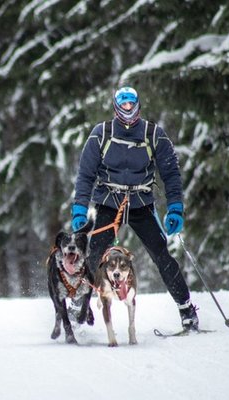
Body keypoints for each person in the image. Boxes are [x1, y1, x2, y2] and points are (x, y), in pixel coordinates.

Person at [70, 85, 199, 330]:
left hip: (141, 205)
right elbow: (85, 174)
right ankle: (78, 306)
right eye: (124, 105)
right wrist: (79, 208)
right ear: (116, 107)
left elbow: (171, 174)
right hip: (109, 203)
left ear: (138, 104)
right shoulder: (101, 133)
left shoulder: (154, 134)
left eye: (132, 104)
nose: (128, 109)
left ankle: (187, 311)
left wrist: (175, 208)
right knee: (94, 255)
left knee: (162, 255)